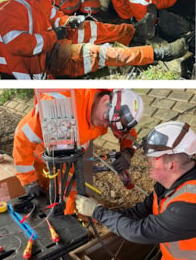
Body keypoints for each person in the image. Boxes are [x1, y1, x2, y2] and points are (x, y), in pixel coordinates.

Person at [0, 0, 187, 79]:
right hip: (35, 68)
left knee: (87, 28)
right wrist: (54, 35)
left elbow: (54, 16)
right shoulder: (10, 4)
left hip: (47, 50)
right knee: (95, 53)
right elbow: (18, 45)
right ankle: (157, 54)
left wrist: (67, 22)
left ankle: (133, 31)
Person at [76, 121, 196, 259]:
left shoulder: (188, 205)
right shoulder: (166, 186)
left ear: (171, 165)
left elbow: (139, 231)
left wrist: (98, 212)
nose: (147, 162)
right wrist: (100, 215)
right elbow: (138, 212)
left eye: (152, 159)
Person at [14, 89, 143, 215]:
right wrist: (29, 181)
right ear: (105, 100)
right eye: (106, 120)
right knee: (47, 197)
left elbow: (127, 132)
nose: (105, 126)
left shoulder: (113, 105)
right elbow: (23, 137)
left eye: (110, 125)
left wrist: (127, 152)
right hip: (42, 159)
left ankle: (70, 221)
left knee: (71, 194)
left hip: (70, 158)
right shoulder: (60, 103)